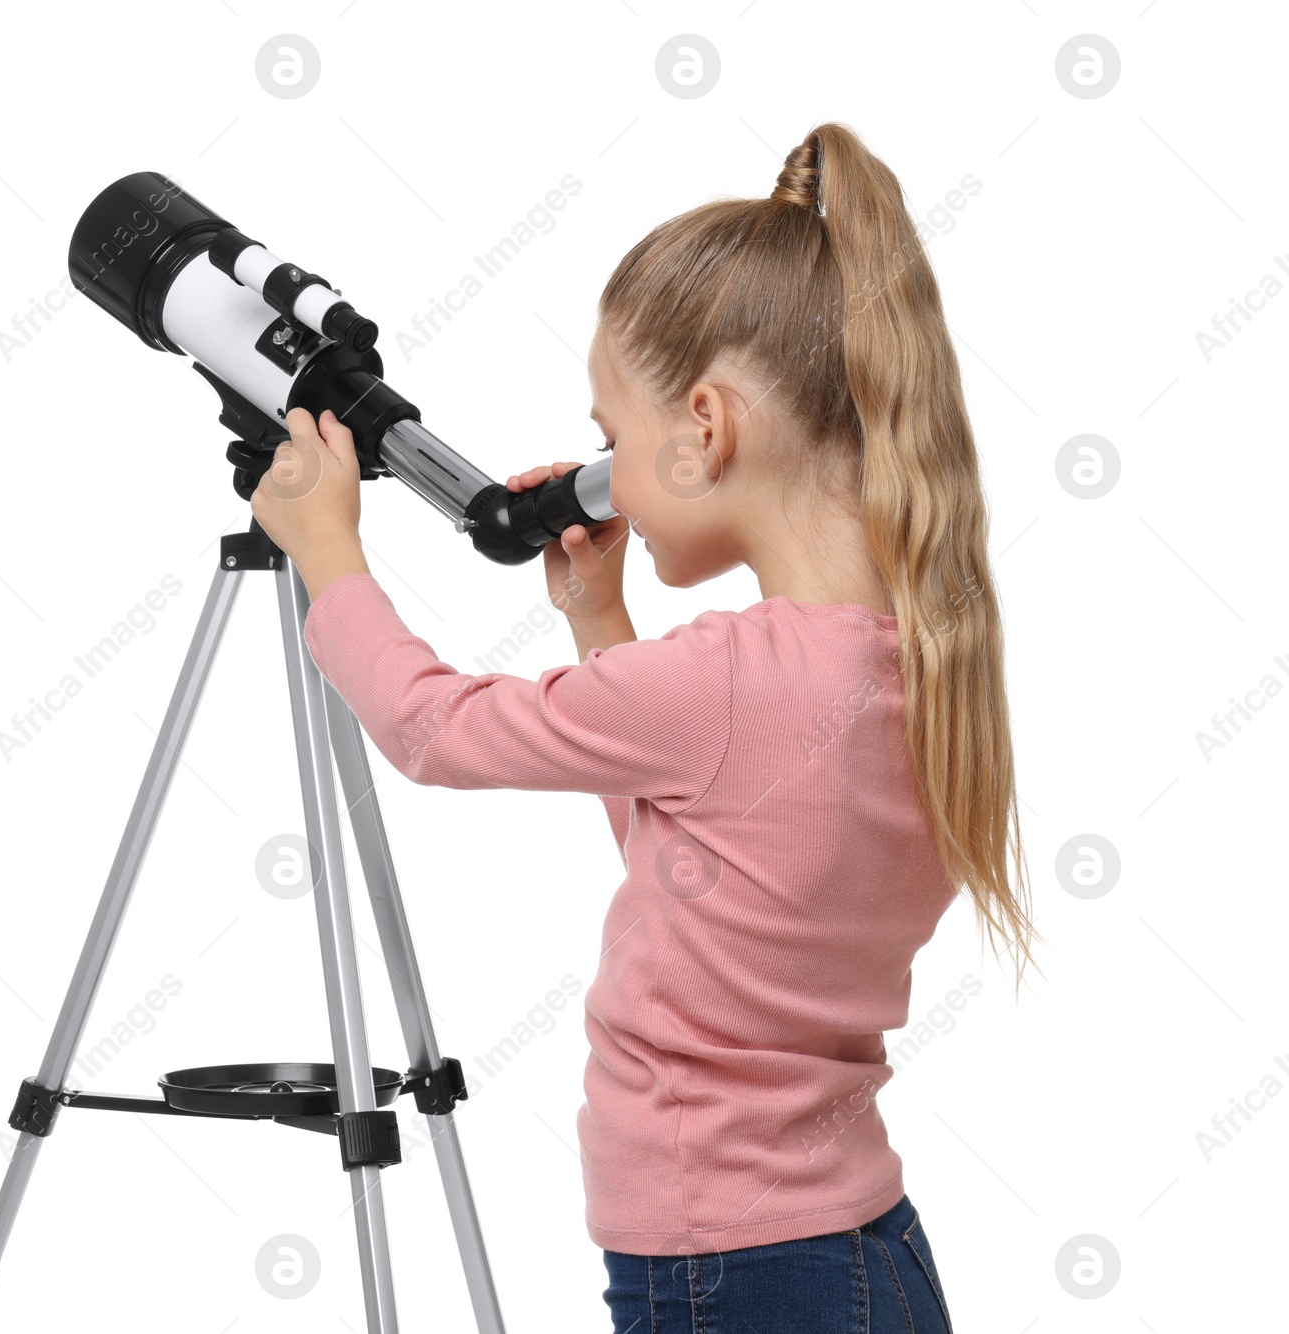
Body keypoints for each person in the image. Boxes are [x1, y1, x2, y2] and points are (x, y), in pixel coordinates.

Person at [248, 120, 1037, 1334]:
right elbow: (701, 855)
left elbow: (431, 727)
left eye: (614, 441)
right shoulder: (908, 658)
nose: (598, 470)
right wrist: (594, 616)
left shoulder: (727, 674)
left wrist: (330, 553)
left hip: (736, 1272)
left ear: (707, 429)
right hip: (855, 1247)